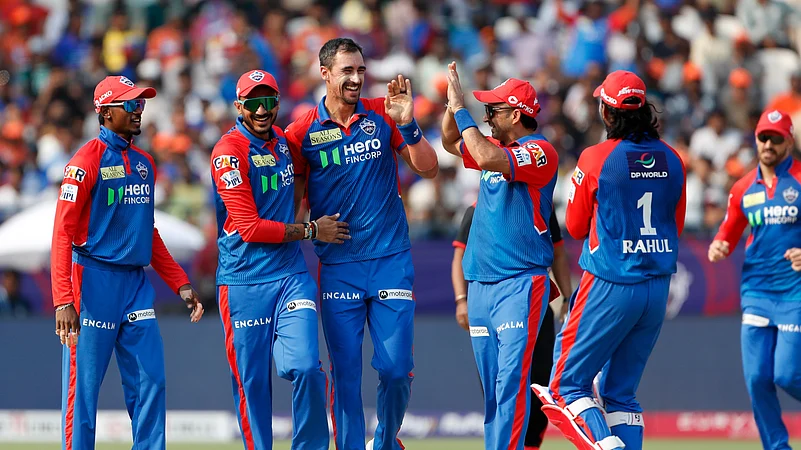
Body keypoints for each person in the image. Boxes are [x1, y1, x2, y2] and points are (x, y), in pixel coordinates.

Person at [284, 38, 439, 450]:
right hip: (339, 268)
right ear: (325, 74)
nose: (356, 79)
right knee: (346, 375)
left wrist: (406, 124)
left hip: (390, 260)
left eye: (360, 70)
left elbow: (429, 169)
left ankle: (386, 442)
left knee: (395, 369)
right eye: (346, 71)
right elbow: (292, 213)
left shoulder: (381, 114)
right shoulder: (300, 133)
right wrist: (312, 230)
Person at [532, 70, 686, 450]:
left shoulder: (597, 157)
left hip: (611, 283)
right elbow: (675, 226)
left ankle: (606, 445)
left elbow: (577, 226)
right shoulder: (674, 159)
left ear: (607, 112)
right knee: (621, 394)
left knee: (564, 386)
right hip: (657, 288)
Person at [51, 75, 205, 450]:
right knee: (83, 391)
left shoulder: (144, 163)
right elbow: (61, 232)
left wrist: (180, 282)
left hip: (136, 286)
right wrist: (63, 300)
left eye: (141, 104)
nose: (139, 111)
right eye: (131, 105)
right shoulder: (84, 160)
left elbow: (146, 232)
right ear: (105, 113)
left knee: (152, 382)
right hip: (92, 283)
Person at [210, 69, 350, 450]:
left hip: (290, 273)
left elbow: (322, 169)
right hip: (242, 280)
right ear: (239, 106)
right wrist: (309, 231)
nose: (262, 110)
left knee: (306, 366)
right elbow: (250, 228)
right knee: (252, 383)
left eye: (269, 101)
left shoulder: (287, 143)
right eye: (253, 103)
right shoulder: (227, 152)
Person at [440, 61, 560, 450]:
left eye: (493, 110)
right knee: (494, 389)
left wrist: (462, 109)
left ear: (516, 114)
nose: (487, 116)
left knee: (511, 383)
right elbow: (448, 143)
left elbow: (487, 158)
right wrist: (450, 105)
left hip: (521, 283)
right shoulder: (496, 147)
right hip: (481, 289)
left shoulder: (539, 152)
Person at [708, 109, 801, 450]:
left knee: (787, 375)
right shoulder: (743, 188)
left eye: (776, 138)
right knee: (757, 378)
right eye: (763, 136)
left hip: (795, 294)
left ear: (788, 142)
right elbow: (730, 230)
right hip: (757, 291)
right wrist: (720, 245)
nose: (768, 143)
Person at [451, 206, 573, 450]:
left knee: (538, 382)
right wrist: (461, 300)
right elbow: (459, 259)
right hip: (489, 304)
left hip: (534, 302)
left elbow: (558, 253)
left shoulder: (540, 206)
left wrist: (569, 299)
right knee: (498, 381)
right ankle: (500, 442)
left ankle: (527, 445)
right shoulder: (476, 211)